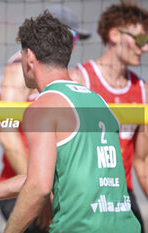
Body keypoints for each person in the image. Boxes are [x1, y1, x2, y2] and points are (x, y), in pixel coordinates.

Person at [0, 10, 141, 233]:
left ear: (29, 57)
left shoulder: (42, 107)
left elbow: (39, 186)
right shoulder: (99, 103)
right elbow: (50, 174)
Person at [0, 5, 90, 233]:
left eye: (76, 37)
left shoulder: (73, 77)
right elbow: (7, 137)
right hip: (22, 186)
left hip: (58, 190)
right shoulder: (19, 71)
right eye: (70, 36)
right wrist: (40, 189)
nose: (74, 43)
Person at [70, 2, 148, 232]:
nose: (144, 48)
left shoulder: (143, 90)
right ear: (114, 34)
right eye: (141, 40)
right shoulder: (79, 80)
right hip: (84, 195)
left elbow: (142, 161)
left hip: (123, 195)